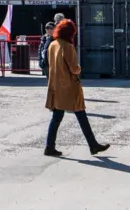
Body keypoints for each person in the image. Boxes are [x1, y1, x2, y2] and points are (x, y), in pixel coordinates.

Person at [44, 19, 110, 157]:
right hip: (69, 87)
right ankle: (93, 145)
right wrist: (79, 68)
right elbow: (74, 68)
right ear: (70, 33)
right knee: (81, 114)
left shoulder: (52, 45)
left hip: (56, 86)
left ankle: (49, 147)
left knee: (57, 117)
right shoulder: (67, 46)